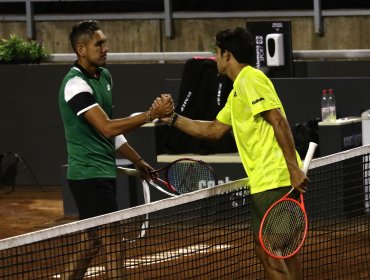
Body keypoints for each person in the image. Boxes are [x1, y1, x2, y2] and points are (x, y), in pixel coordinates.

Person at [160, 27, 308, 280]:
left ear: (227, 54)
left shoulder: (251, 79)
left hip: (275, 178)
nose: (214, 59)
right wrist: (172, 118)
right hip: (267, 180)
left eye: (216, 53)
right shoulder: (239, 88)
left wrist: (293, 168)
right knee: (280, 252)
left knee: (269, 252)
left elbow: (278, 120)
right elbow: (214, 130)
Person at [58, 20, 173, 279]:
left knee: (92, 242)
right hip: (89, 176)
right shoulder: (74, 84)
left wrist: (138, 160)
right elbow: (107, 127)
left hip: (101, 173)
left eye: (105, 42)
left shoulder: (105, 77)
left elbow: (108, 133)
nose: (105, 48)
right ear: (81, 49)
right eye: (98, 44)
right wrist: (151, 114)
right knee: (113, 243)